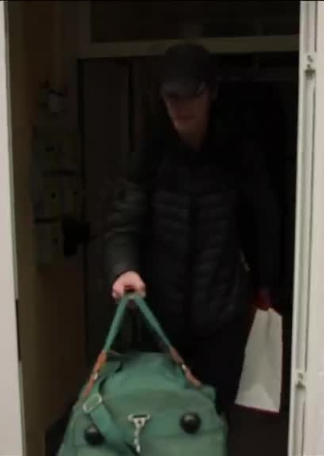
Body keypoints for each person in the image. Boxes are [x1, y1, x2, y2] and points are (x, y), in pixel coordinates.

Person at [103, 42, 281, 417]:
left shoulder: (238, 151)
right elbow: (123, 222)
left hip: (222, 317)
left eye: (190, 96)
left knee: (212, 421)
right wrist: (124, 268)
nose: (180, 107)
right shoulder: (150, 153)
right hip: (159, 319)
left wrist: (266, 284)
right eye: (172, 97)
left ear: (211, 93)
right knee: (160, 422)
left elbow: (263, 221)